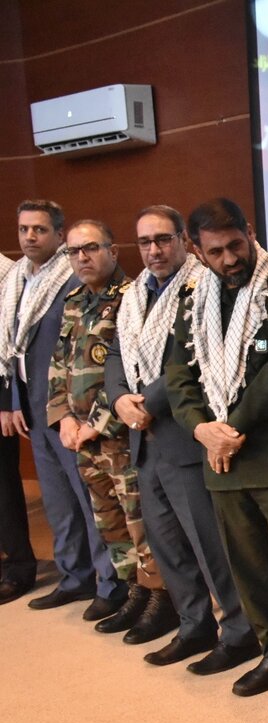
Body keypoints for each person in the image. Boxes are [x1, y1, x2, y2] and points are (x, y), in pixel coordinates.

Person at [167, 198, 268, 712]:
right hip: (221, 459)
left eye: (236, 244)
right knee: (250, 570)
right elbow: (178, 374)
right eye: (215, 251)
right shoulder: (193, 296)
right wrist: (201, 429)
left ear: (250, 231)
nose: (230, 259)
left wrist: (231, 427)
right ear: (196, 250)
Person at [104, 205, 258, 669]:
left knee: (210, 547)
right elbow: (117, 352)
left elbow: (187, 359)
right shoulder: (135, 294)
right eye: (145, 242)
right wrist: (119, 399)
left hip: (183, 437)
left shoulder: (202, 287)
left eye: (163, 239)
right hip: (143, 440)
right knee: (168, 545)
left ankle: (239, 632)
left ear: (183, 242)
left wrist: (144, 404)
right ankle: (194, 626)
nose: (154, 249)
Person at [48, 219, 170, 641]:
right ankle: (134, 591)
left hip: (120, 435)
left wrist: (95, 424)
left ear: (113, 252)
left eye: (91, 248)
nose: (81, 257)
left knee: (140, 523)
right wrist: (63, 417)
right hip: (83, 439)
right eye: (73, 251)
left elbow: (131, 373)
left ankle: (161, 598)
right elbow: (59, 365)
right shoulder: (74, 300)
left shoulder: (131, 299)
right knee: (110, 523)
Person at [1, 200, 118, 615]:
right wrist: (13, 401)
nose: (29, 237)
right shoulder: (17, 280)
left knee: (91, 501)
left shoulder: (72, 277)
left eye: (39, 229)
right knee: (58, 503)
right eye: (23, 229)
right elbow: (13, 350)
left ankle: (110, 585)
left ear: (58, 234)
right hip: (36, 408)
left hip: (72, 410)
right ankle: (74, 578)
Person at [0, 250, 39, 605]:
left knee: (3, 487)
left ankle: (18, 567)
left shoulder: (6, 273)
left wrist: (5, 401)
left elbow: (11, 342)